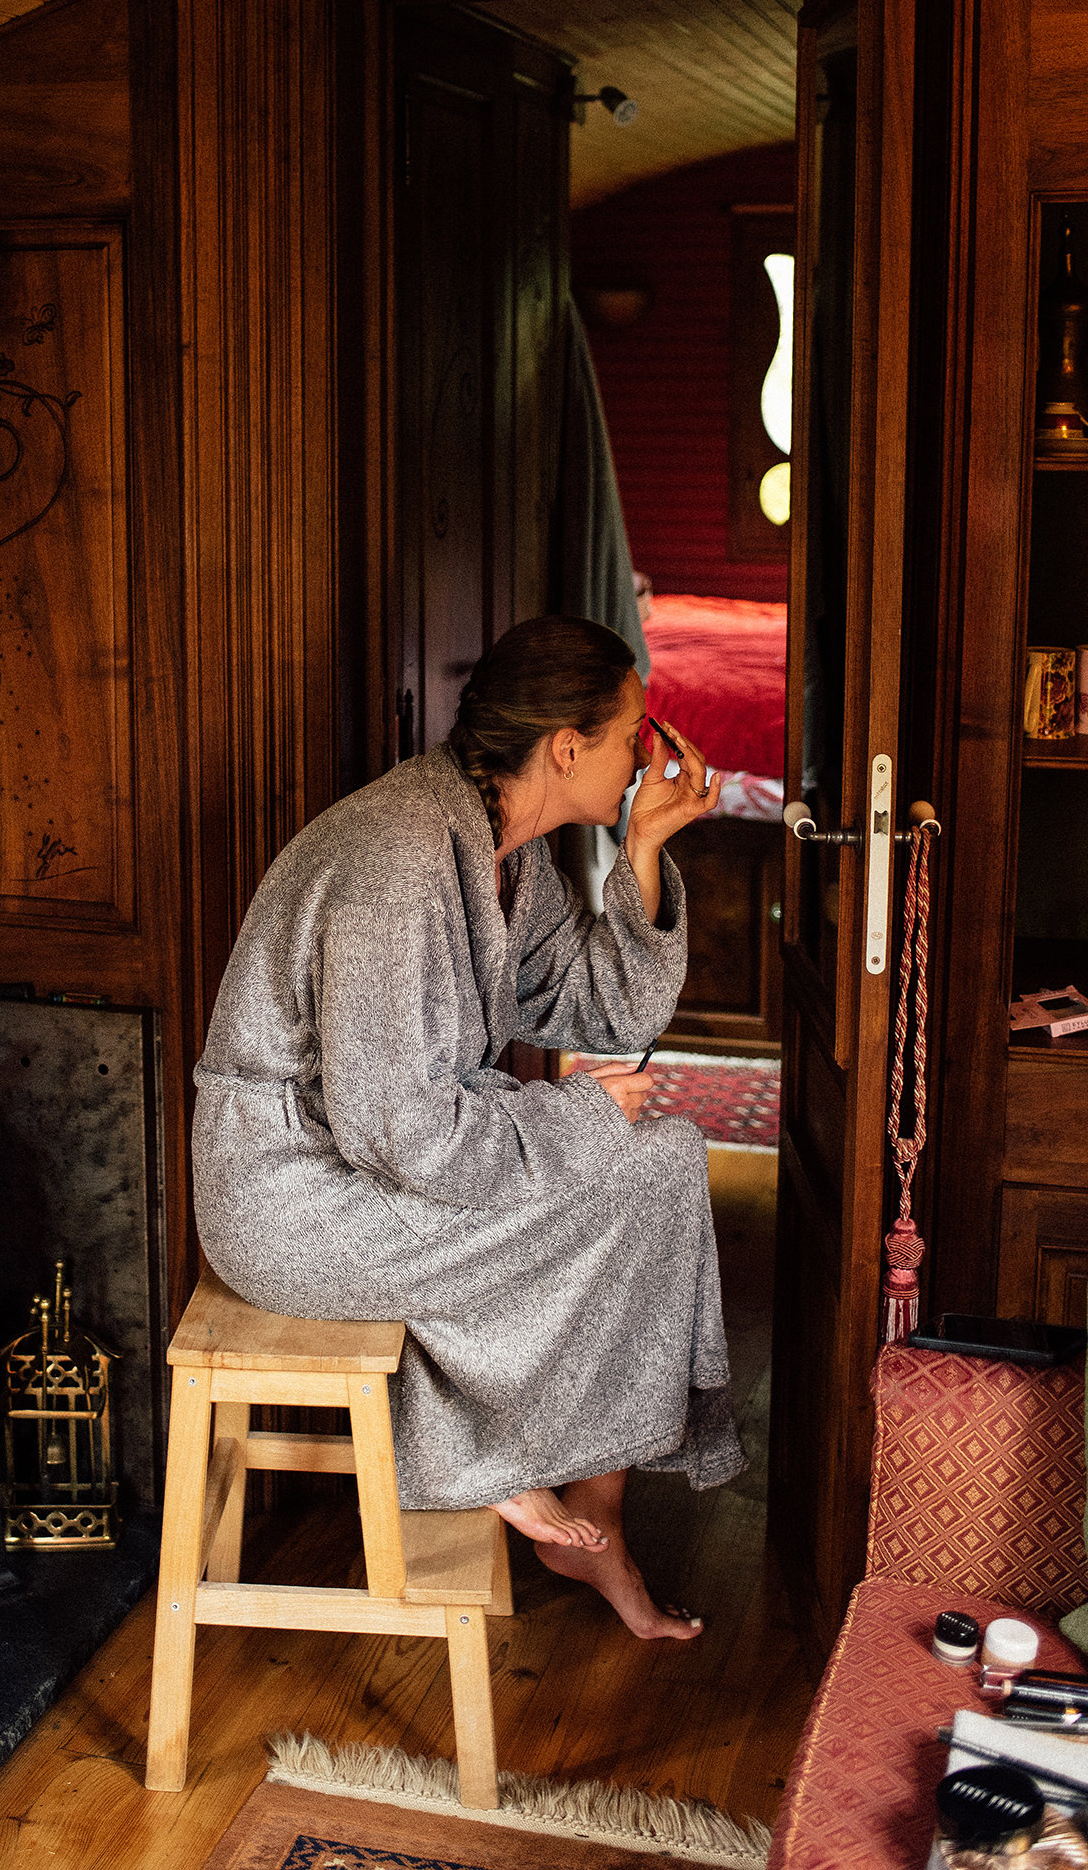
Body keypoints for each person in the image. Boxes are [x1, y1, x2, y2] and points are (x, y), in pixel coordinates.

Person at [192, 614, 744, 1641]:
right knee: (631, 1165)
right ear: (567, 747)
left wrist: (647, 846)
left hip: (374, 1164)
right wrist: (574, 1120)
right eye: (633, 733)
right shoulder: (400, 857)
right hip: (293, 1198)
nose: (644, 755)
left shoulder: (503, 850)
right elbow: (396, 1129)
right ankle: (498, 1456)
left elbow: (607, 1010)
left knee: (661, 1162)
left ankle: (586, 1511)